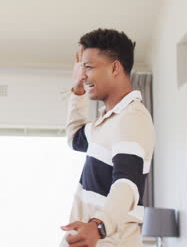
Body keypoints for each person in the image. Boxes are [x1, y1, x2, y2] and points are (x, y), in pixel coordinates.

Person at [60, 29, 155, 247]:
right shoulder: (108, 121)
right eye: (82, 68)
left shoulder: (132, 118)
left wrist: (99, 226)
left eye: (89, 67)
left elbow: (127, 182)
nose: (83, 75)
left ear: (115, 68)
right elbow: (75, 138)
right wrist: (77, 90)